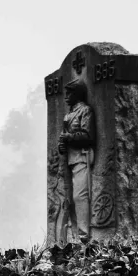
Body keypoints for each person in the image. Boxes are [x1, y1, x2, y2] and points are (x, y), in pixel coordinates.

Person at [58, 79, 95, 242]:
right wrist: (62, 145)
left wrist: (69, 137)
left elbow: (88, 136)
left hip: (82, 157)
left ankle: (84, 236)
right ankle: (73, 237)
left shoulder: (85, 111)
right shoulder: (68, 115)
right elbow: (63, 141)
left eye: (70, 93)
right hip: (70, 161)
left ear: (77, 94)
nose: (66, 96)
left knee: (80, 197)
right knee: (69, 200)